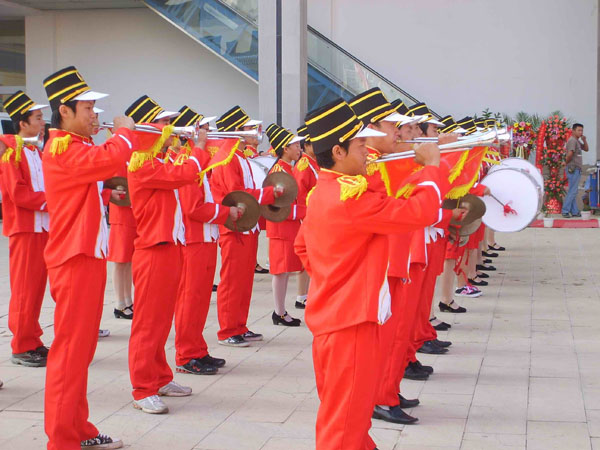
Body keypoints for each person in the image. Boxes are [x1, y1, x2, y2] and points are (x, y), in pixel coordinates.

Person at [295, 98, 446, 449]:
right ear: (337, 151)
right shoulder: (349, 198)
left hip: (339, 321)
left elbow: (303, 248)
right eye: (361, 144)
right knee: (344, 429)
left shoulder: (327, 190)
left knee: (351, 420)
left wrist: (335, 279)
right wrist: (432, 167)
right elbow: (421, 211)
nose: (368, 150)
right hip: (349, 327)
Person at [42, 65, 137, 450]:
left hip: (84, 254)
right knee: (69, 352)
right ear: (65, 111)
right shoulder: (63, 147)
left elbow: (84, 185)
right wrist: (126, 131)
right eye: (88, 109)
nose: (95, 116)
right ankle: (63, 438)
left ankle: (78, 428)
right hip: (73, 258)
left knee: (80, 351)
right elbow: (108, 161)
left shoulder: (74, 146)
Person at [123, 96, 208, 414]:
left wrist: (187, 147)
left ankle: (158, 377)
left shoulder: (156, 160)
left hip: (168, 248)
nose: (168, 128)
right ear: (146, 128)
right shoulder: (140, 162)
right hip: (153, 252)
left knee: (160, 321)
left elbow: (183, 170)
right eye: (162, 123)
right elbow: (186, 174)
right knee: (148, 323)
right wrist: (198, 146)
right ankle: (143, 387)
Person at [210, 105, 284, 347]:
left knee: (243, 281)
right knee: (232, 281)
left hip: (245, 225)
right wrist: (270, 194)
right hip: (234, 227)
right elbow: (237, 194)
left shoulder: (239, 156)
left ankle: (239, 325)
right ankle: (228, 329)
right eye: (249, 128)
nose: (255, 131)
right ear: (236, 132)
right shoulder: (226, 158)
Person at [171, 105, 234, 375]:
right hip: (194, 239)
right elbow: (193, 207)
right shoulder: (186, 162)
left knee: (199, 299)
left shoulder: (199, 161)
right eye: (202, 128)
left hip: (206, 237)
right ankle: (186, 355)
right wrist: (226, 213)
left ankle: (197, 349)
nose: (208, 133)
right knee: (189, 298)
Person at [0, 90, 50, 367]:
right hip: (25, 228)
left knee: (36, 288)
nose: (43, 122)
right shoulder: (11, 154)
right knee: (24, 289)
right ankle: (21, 345)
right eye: (38, 117)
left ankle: (33, 339)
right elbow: (18, 195)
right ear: (23, 123)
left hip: (41, 227)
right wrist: (52, 202)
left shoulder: (33, 151)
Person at [264, 124, 305, 326]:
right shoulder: (279, 171)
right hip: (281, 227)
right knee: (280, 271)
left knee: (286, 270)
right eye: (295, 145)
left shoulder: (288, 168)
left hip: (289, 226)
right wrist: (305, 211)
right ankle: (278, 312)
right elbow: (276, 205)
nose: (299, 149)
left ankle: (280, 311)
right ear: (285, 148)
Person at [293, 124, 318, 309]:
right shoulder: (304, 164)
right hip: (308, 216)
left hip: (315, 215)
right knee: (305, 260)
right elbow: (299, 194)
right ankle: (301, 296)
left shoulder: (314, 162)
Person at [563, 123, 589, 217]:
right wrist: (565, 163)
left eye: (582, 130)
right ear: (573, 131)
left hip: (576, 169)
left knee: (573, 191)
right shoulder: (572, 140)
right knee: (573, 191)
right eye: (578, 130)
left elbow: (586, 149)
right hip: (573, 168)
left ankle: (574, 211)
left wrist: (584, 140)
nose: (580, 132)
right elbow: (570, 154)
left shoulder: (577, 141)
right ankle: (565, 210)